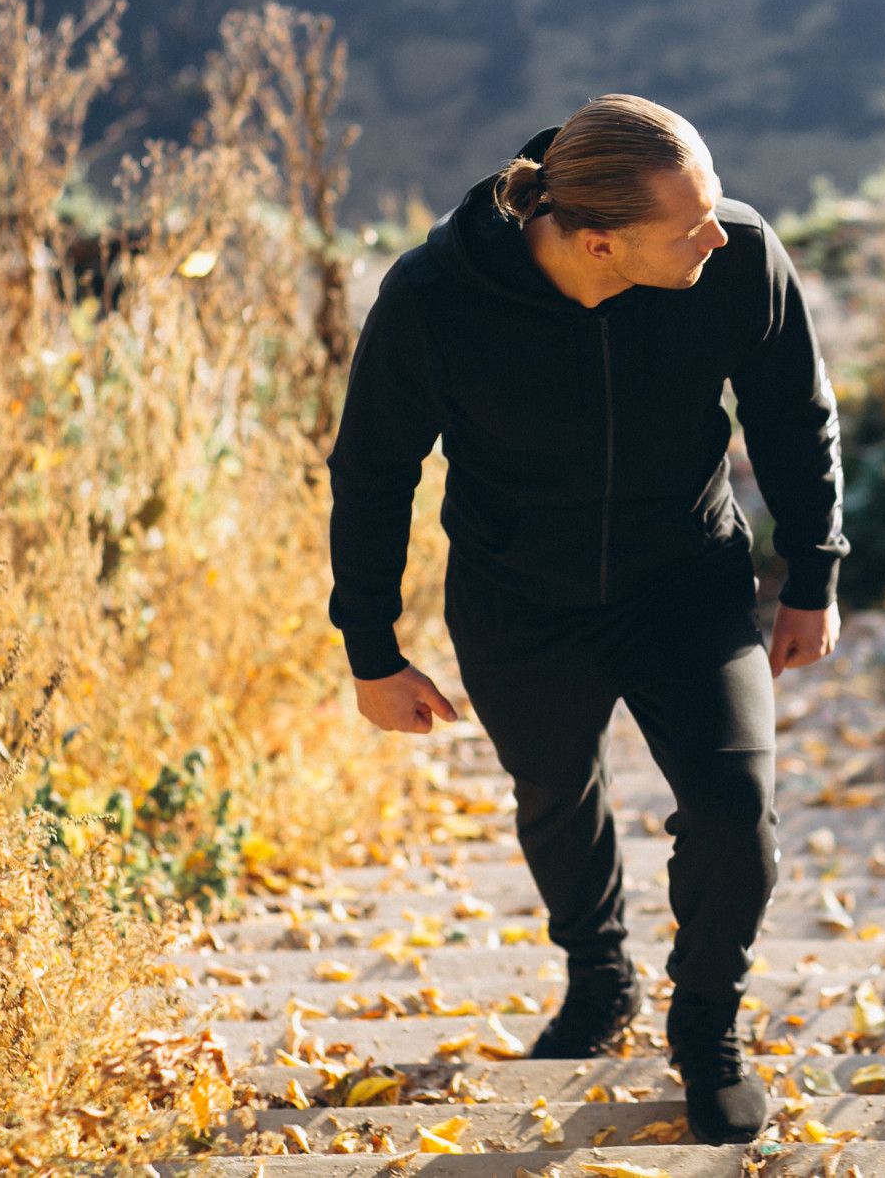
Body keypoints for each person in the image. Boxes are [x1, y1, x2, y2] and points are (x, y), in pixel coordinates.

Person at [324, 93, 849, 1146]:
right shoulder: (436, 298)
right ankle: (597, 971)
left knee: (737, 813)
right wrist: (371, 650)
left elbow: (794, 410)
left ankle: (705, 1026)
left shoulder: (736, 258)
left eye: (712, 207)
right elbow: (373, 471)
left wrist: (812, 573)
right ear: (599, 241)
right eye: (690, 224)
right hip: (520, 600)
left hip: (688, 584)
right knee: (554, 795)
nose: (723, 231)